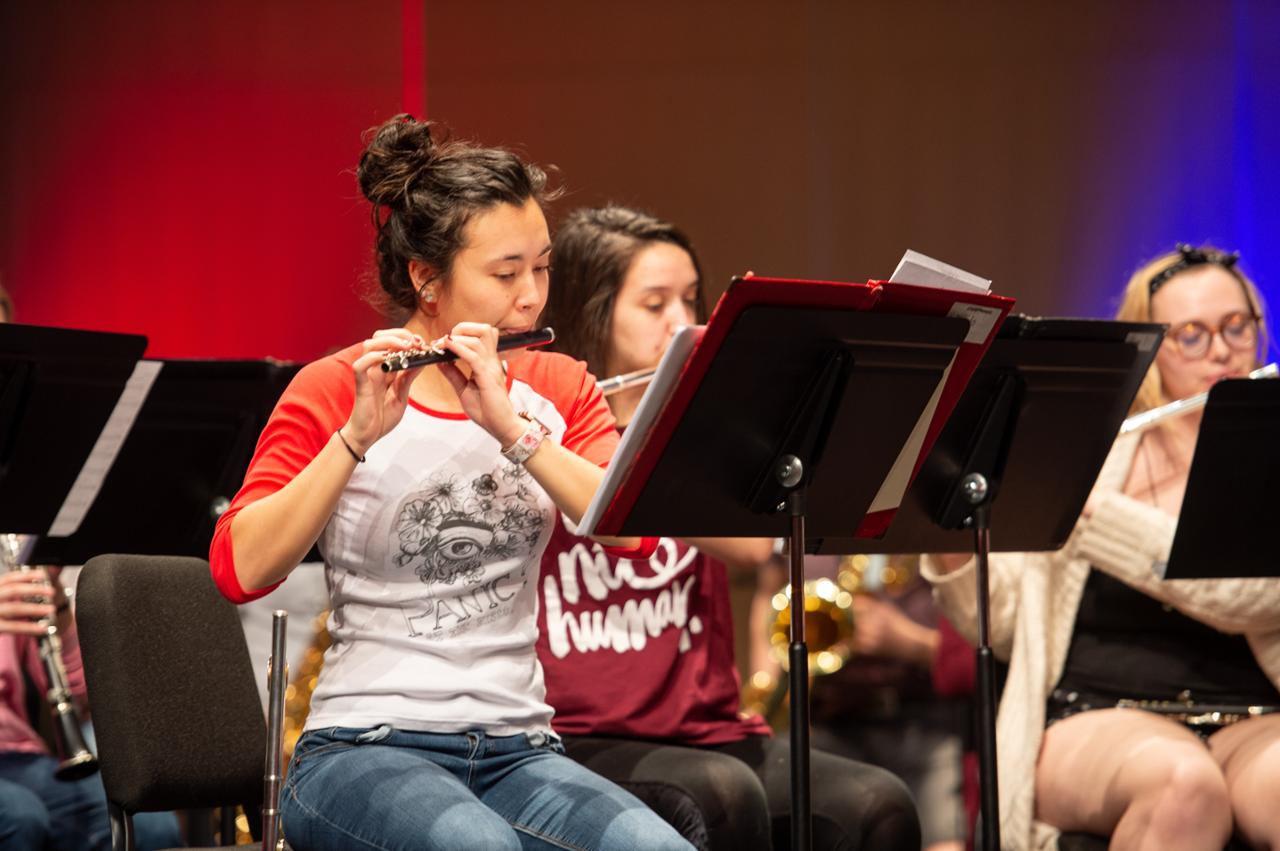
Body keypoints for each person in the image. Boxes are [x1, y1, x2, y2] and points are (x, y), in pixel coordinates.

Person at [209, 116, 691, 851]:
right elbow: (240, 568)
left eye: (542, 266)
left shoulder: (557, 386)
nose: (532, 296)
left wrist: (515, 430)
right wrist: (353, 439)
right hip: (362, 746)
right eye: (505, 274)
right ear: (425, 278)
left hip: (520, 747)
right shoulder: (338, 385)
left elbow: (631, 529)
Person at [536, 205, 922, 851]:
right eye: (654, 303)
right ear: (592, 310)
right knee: (720, 793)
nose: (682, 322)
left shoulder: (704, 426)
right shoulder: (540, 426)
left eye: (690, 300)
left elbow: (748, 546)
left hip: (701, 725)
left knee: (879, 803)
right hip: (577, 730)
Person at [924, 244, 1280, 851]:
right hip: (1098, 714)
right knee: (1183, 784)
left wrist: (1090, 514)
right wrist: (951, 525)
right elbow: (1008, 626)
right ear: (1151, 349)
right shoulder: (1097, 453)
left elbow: (1253, 594)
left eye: (1235, 327)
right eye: (1191, 334)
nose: (1220, 350)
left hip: (1252, 717)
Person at [747, 553, 967, 851]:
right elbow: (768, 594)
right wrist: (767, 696)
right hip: (829, 719)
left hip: (923, 719)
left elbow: (974, 648)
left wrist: (907, 642)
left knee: (945, 841)